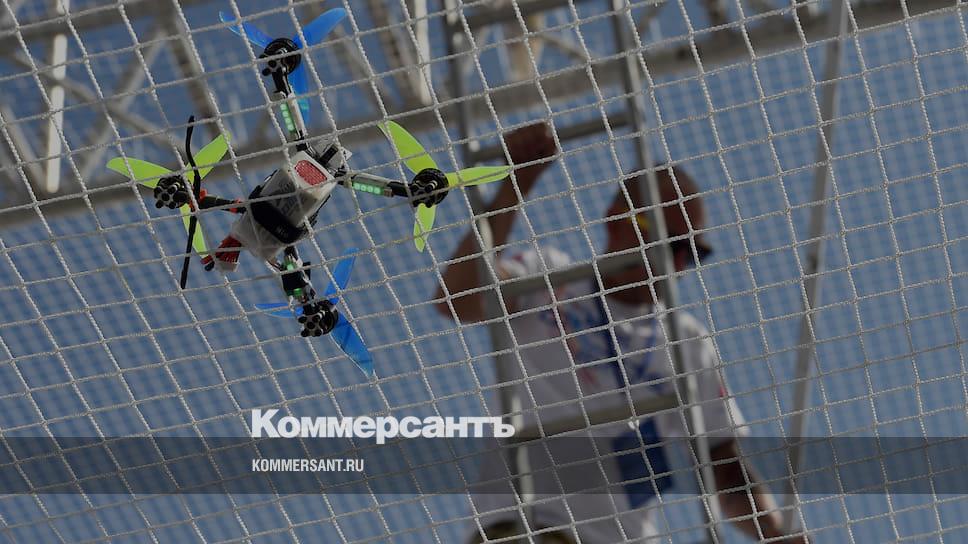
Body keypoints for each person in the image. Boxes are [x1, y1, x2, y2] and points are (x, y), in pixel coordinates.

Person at [434, 123, 807, 543]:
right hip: (529, 527)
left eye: (692, 252)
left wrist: (778, 535)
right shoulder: (547, 277)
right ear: (616, 221)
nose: (678, 264)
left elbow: (724, 463)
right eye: (670, 243)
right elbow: (458, 298)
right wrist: (517, 182)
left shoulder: (686, 342)